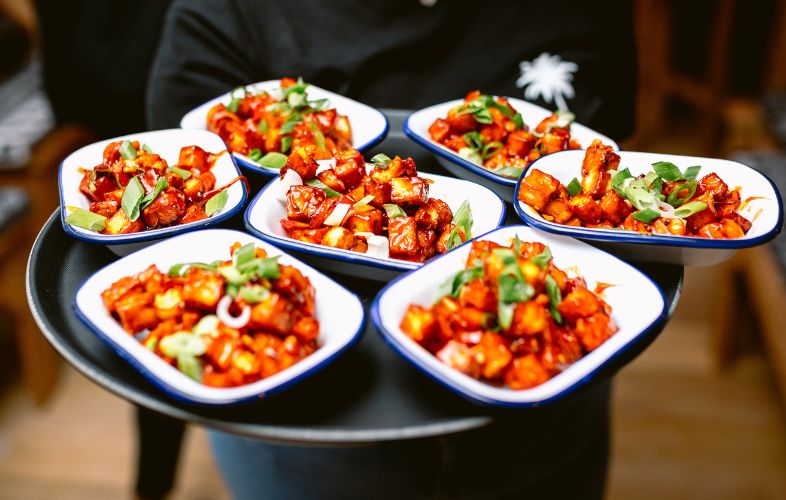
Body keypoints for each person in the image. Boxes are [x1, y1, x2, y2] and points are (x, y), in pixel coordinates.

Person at [147, 1, 637, 498]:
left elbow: (614, 178)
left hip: (551, 408)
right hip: (309, 427)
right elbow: (193, 183)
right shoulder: (231, 13)